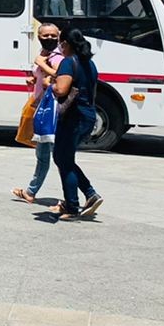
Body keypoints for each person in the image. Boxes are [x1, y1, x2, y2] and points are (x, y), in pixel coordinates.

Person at [48, 28, 104, 221]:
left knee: (63, 159)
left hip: (73, 117)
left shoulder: (67, 62)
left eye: (60, 44)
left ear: (65, 44)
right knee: (64, 158)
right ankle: (89, 194)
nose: (59, 48)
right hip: (87, 115)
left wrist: (51, 84)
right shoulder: (89, 63)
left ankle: (73, 206)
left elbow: (62, 89)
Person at [13, 23, 65, 203]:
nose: (49, 38)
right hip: (41, 107)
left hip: (50, 111)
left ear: (59, 36)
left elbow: (61, 75)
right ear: (39, 36)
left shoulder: (56, 57)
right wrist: (34, 77)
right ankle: (31, 191)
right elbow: (42, 76)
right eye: (45, 35)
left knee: (51, 155)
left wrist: (42, 64)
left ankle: (83, 193)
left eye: (53, 35)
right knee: (44, 154)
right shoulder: (44, 54)